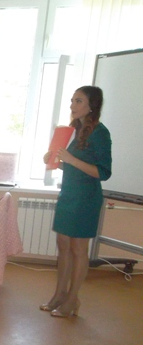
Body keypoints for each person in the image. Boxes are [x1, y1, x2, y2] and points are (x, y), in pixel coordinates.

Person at [40, 86, 112, 318]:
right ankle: (59, 295)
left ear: (92, 106)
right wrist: (55, 161)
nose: (72, 105)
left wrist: (70, 159)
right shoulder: (72, 130)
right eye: (72, 100)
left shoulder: (100, 133)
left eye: (78, 101)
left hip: (86, 197)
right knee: (63, 244)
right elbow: (72, 165)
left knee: (78, 249)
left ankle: (73, 300)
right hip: (68, 194)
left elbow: (103, 172)